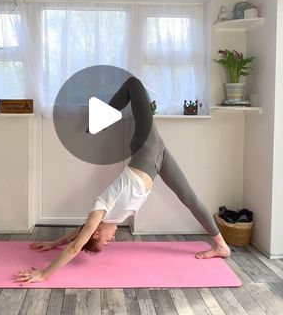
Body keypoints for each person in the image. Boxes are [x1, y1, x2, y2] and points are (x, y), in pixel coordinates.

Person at [15, 76, 230, 285]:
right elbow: (79, 234)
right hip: (157, 160)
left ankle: (103, 117)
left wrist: (44, 274)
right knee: (189, 197)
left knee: (133, 84)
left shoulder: (99, 212)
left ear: (97, 232)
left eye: (106, 241)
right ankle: (221, 246)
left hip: (147, 148)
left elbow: (75, 247)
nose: (112, 240)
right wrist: (53, 243)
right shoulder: (106, 221)